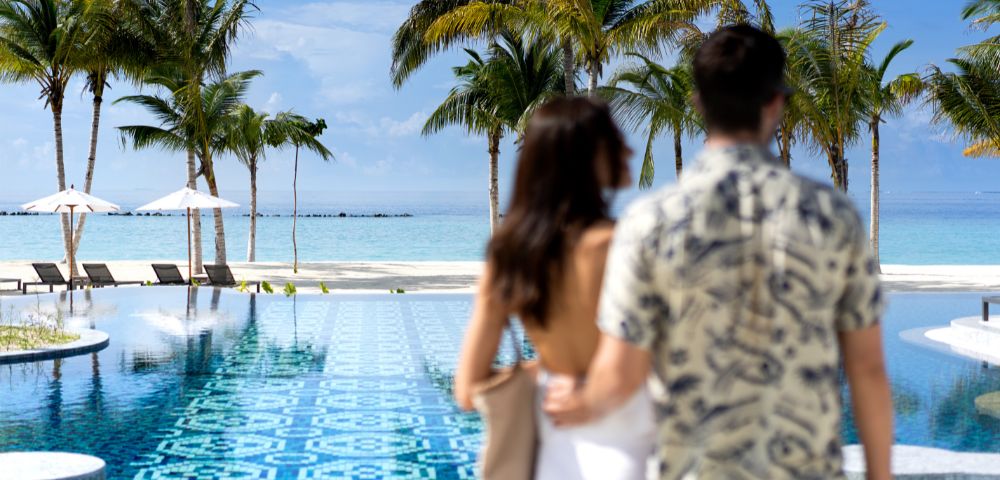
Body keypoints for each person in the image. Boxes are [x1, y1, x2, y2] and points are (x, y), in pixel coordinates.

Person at [544, 25, 893, 480]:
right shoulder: (833, 216)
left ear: (699, 105)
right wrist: (880, 475)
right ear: (776, 103)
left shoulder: (651, 223)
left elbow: (622, 376)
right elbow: (866, 368)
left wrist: (576, 401)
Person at [454, 97, 656, 480]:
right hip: (634, 443)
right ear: (589, 156)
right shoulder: (623, 247)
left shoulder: (508, 256)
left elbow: (467, 389)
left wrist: (544, 370)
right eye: (615, 139)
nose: (629, 149)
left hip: (555, 450)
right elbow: (634, 368)